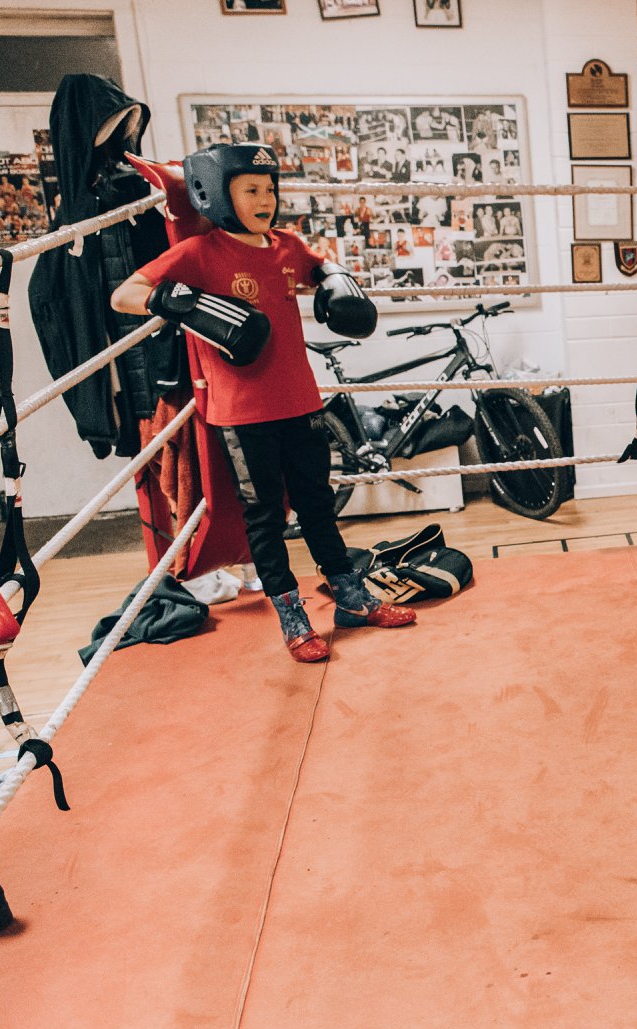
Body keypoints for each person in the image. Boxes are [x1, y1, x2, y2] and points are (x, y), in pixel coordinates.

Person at [108, 144, 415, 662]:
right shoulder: (200, 254)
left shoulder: (287, 245)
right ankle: (291, 614)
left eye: (270, 189)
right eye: (251, 189)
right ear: (216, 194)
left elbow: (322, 266)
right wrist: (179, 302)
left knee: (317, 504)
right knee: (266, 518)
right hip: (243, 416)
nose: (265, 199)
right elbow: (124, 294)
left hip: (301, 404)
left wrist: (336, 281)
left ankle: (351, 597)